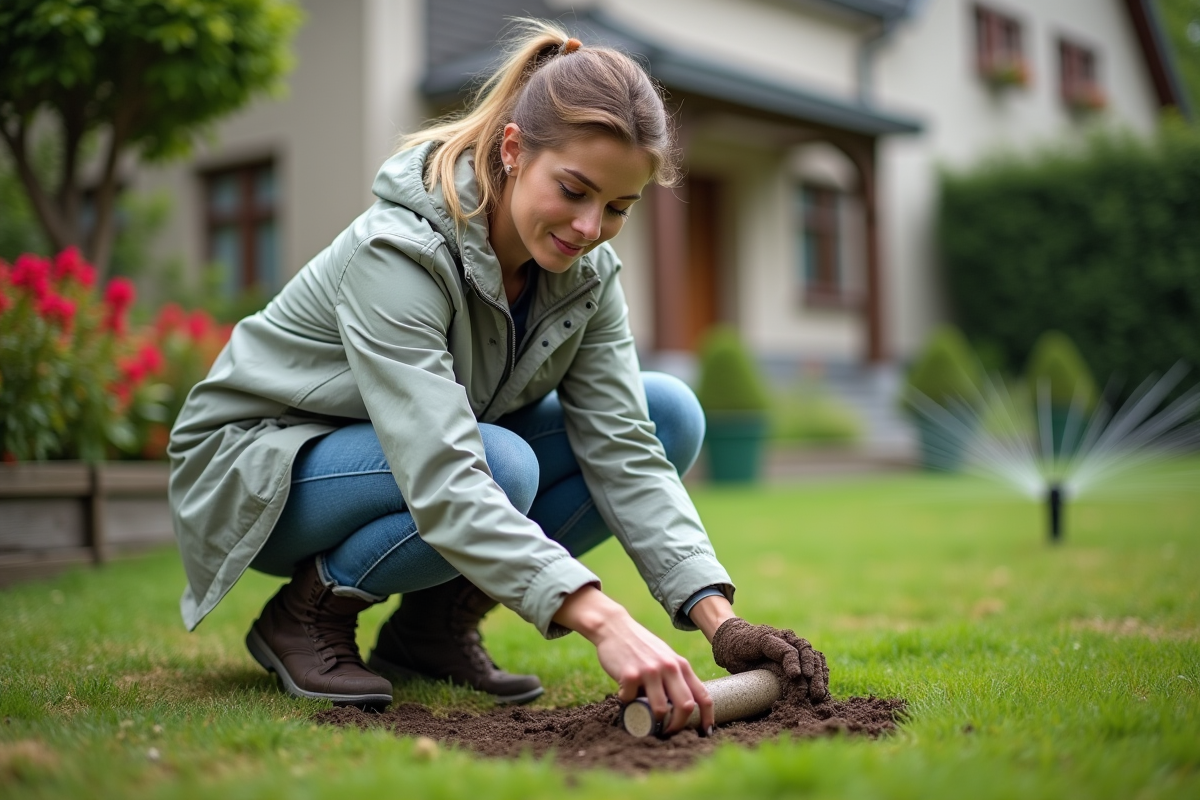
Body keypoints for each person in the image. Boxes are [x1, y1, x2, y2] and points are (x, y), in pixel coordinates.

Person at [168, 20, 827, 736]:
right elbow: (447, 472)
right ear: (513, 150)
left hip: (417, 457)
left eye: (616, 208)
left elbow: (625, 447)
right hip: (259, 470)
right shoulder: (398, 253)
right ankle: (307, 614)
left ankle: (434, 628)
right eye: (573, 190)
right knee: (500, 463)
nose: (588, 226)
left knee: (668, 411)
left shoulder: (586, 274)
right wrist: (601, 617)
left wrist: (718, 618)